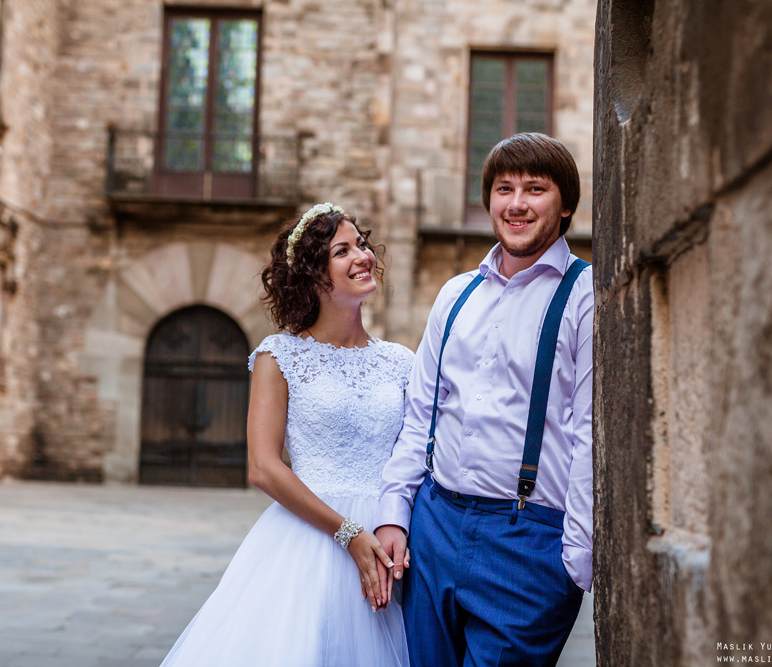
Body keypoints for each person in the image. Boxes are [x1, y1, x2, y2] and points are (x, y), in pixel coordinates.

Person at [159, 203, 413, 667]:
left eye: (361, 244)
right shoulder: (279, 357)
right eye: (343, 250)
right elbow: (263, 467)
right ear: (314, 277)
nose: (363, 256)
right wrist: (349, 533)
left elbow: (415, 452)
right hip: (311, 539)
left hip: (390, 541)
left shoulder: (401, 361)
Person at [375, 133, 593, 666]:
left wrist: (574, 562)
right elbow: (421, 412)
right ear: (489, 200)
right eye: (503, 189)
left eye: (535, 189)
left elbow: (590, 430)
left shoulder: (587, 296)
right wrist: (394, 514)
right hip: (434, 527)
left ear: (565, 205)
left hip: (528, 543)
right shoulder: (456, 293)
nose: (516, 203)